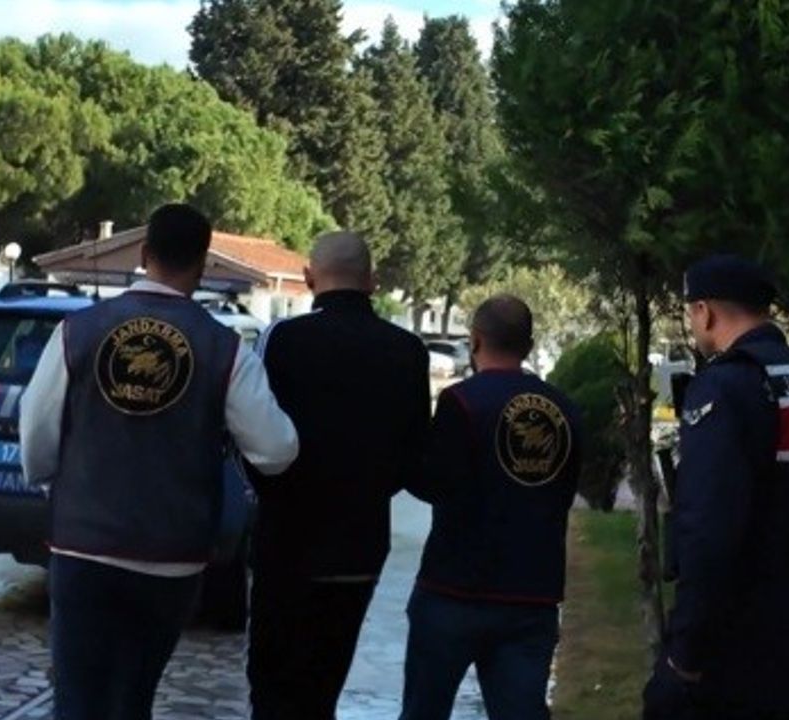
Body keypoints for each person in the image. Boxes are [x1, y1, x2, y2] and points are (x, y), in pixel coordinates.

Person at [19, 203, 299, 720]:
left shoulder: (78, 331)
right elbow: (276, 450)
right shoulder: (225, 349)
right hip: (172, 554)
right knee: (133, 698)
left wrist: (47, 480)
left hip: (84, 544)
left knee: (77, 698)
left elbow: (36, 428)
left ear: (144, 253)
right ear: (204, 264)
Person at [643, 255, 789, 720]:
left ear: (705, 312)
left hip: (729, 643)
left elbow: (708, 530)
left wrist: (685, 655)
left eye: (691, 312)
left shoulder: (725, 386)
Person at [246, 231, 430, 720]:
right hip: (360, 544)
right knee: (325, 682)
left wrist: (269, 493)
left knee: (274, 686)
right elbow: (413, 455)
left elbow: (255, 431)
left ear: (309, 278)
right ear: (373, 281)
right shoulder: (407, 350)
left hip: (288, 540)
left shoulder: (284, 340)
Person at [400, 295, 582, 720]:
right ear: (529, 346)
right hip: (531, 592)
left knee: (424, 710)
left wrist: (401, 460)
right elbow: (565, 491)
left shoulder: (462, 402)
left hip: (455, 588)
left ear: (475, 340)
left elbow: (439, 484)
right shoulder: (563, 409)